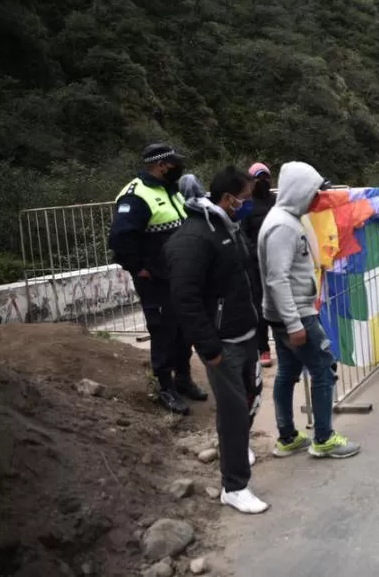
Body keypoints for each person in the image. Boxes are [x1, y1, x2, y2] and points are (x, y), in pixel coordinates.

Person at [165, 168, 268, 514]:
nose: (248, 205)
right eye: (245, 198)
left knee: (247, 401)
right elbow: (185, 298)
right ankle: (234, 486)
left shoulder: (226, 226)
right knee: (233, 411)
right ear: (228, 199)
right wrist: (209, 348)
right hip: (223, 344)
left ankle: (236, 449)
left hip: (246, 332)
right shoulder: (194, 238)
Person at [257, 161, 361, 460]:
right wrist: (293, 323)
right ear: (299, 191)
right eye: (314, 191)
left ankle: (288, 436)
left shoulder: (287, 219)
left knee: (288, 372)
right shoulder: (281, 226)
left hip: (291, 314)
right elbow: (277, 279)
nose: (318, 197)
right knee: (324, 369)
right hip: (296, 315)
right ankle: (324, 438)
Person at [108, 143, 206, 415]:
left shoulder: (170, 190)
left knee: (184, 329)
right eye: (174, 162)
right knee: (163, 331)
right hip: (156, 280)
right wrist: (138, 267)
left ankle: (183, 379)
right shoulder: (135, 196)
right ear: (162, 165)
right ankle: (165, 387)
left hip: (179, 275)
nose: (179, 167)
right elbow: (119, 238)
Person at [242, 162, 277, 368]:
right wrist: (257, 253)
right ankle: (263, 348)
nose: (262, 181)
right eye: (258, 178)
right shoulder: (247, 205)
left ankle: (286, 345)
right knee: (260, 307)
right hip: (257, 265)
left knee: (282, 303)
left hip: (279, 261)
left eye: (265, 177)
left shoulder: (277, 201)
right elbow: (244, 235)